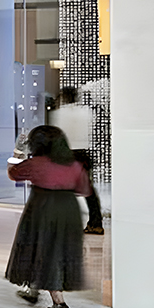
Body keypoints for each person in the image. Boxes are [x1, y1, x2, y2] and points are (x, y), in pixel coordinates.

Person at [6, 124, 91, 308]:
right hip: (69, 210)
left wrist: (18, 151)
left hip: (43, 208)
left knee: (44, 250)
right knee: (55, 251)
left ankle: (60, 304)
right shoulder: (74, 165)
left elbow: (13, 173)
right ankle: (34, 291)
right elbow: (84, 190)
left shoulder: (36, 163)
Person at [50, 86, 102, 234]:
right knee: (89, 192)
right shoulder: (86, 112)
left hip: (66, 155)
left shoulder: (58, 114)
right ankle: (96, 222)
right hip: (83, 154)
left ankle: (62, 223)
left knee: (62, 191)